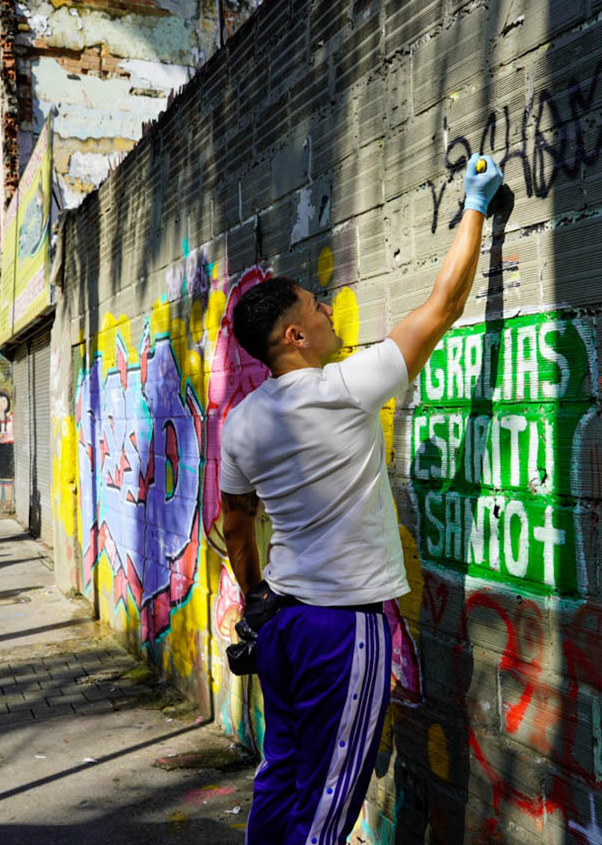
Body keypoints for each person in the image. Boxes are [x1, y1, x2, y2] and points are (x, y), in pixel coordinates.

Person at [219, 153, 504, 844]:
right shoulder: (345, 389)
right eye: (315, 307)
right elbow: (443, 308)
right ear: (295, 336)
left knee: (281, 775)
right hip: (341, 634)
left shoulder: (241, 423)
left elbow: (237, 527)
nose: (326, 310)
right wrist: (475, 205)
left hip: (281, 626)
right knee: (325, 810)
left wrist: (255, 600)